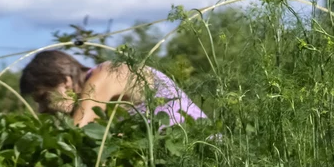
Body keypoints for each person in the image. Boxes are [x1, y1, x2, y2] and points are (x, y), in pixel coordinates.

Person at [18, 50, 207, 128]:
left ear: (65, 81)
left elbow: (78, 138)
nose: (42, 110)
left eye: (43, 98)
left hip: (205, 157)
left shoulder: (105, 76)